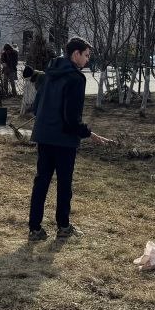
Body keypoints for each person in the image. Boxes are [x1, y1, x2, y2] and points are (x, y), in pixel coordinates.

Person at [28, 37, 113, 240]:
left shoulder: (49, 71)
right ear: (76, 54)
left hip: (44, 136)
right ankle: (63, 227)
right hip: (64, 140)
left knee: (41, 181)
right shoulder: (76, 78)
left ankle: (34, 228)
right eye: (86, 55)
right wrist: (88, 133)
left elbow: (36, 107)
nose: (88, 60)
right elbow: (71, 118)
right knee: (64, 184)